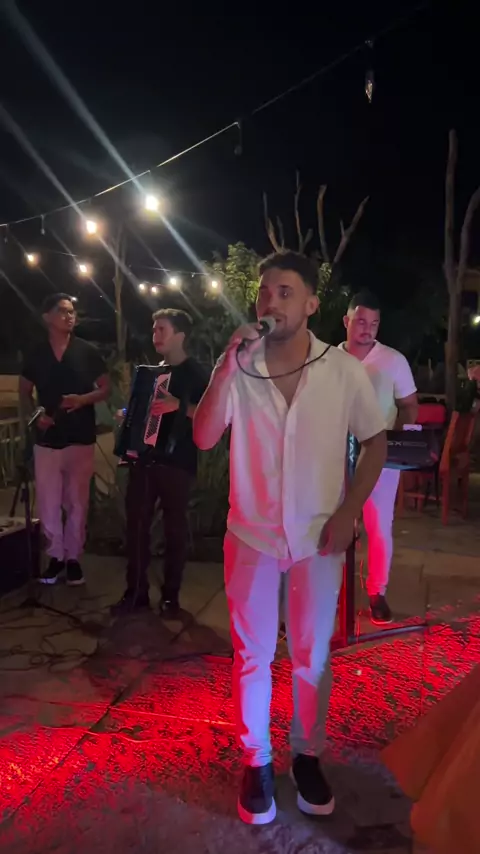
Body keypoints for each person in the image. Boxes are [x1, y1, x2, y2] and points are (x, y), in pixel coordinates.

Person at [193, 252, 386, 825]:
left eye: (285, 292)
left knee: (311, 655)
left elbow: (374, 441)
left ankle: (306, 754)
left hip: (317, 538)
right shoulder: (241, 366)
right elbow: (203, 437)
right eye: (265, 292)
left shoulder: (341, 369)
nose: (270, 301)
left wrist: (350, 511)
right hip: (250, 533)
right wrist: (223, 369)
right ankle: (255, 759)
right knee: (252, 655)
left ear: (311, 304)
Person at [112, 308, 209, 617]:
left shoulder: (197, 373)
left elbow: (212, 415)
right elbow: (143, 409)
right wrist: (128, 416)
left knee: (174, 531)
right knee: (136, 526)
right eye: (154, 330)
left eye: (162, 329)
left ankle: (171, 597)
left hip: (177, 460)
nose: (155, 335)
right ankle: (136, 592)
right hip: (145, 459)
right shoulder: (152, 373)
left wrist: (177, 406)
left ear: (180, 335)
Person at [19, 293, 110, 586]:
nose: (70, 316)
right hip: (47, 437)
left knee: (77, 502)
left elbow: (105, 388)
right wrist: (35, 414)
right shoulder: (36, 353)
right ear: (46, 317)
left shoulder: (86, 351)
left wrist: (82, 400)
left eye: (72, 312)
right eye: (62, 311)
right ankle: (55, 556)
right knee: (48, 501)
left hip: (80, 436)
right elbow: (24, 391)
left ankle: (73, 558)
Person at [339, 291, 418, 625]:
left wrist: (398, 441)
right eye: (361, 321)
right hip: (334, 455)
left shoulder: (393, 360)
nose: (367, 329)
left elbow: (409, 404)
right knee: (331, 520)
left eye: (373, 323)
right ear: (347, 321)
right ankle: (329, 590)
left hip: (379, 455)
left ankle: (377, 591)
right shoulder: (330, 359)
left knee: (378, 525)